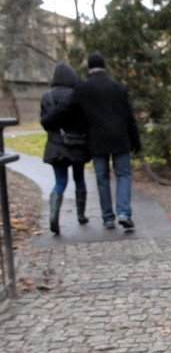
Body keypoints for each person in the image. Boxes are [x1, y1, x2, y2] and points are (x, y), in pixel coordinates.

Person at [47, 52, 141, 230]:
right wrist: (136, 141)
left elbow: (65, 108)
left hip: (97, 140)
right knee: (123, 175)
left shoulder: (82, 88)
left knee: (102, 178)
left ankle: (107, 217)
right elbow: (130, 117)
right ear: (104, 66)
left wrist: (47, 121)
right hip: (120, 139)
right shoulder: (119, 87)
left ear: (89, 68)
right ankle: (124, 212)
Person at [40, 63, 92, 235]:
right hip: (76, 144)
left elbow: (45, 123)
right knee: (79, 178)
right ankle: (81, 215)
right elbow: (85, 121)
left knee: (60, 181)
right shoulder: (76, 96)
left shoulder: (47, 97)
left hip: (56, 146)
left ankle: (54, 215)